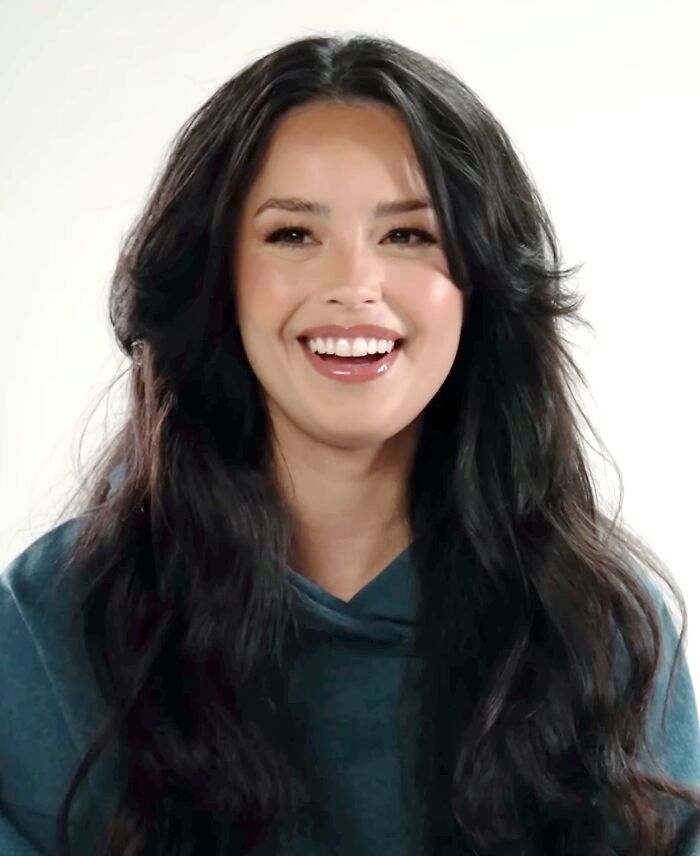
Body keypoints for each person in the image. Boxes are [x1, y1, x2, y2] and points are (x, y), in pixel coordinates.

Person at [1, 32, 699, 856]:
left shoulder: (597, 627)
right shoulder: (51, 625)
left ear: (480, 289)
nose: (353, 286)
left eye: (408, 236)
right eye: (293, 235)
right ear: (215, 278)